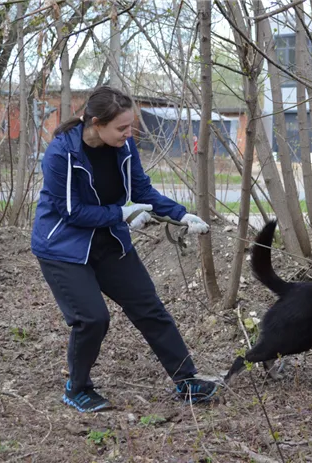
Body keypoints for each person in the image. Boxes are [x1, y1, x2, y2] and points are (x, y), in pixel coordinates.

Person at [31, 86, 218, 412]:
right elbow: (71, 212)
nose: (128, 133)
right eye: (121, 127)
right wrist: (122, 213)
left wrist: (181, 215)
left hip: (109, 240)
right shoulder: (61, 153)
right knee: (92, 318)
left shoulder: (124, 146)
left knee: (148, 306)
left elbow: (141, 190)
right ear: (95, 122)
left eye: (130, 126)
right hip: (63, 246)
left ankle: (186, 380)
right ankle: (77, 389)